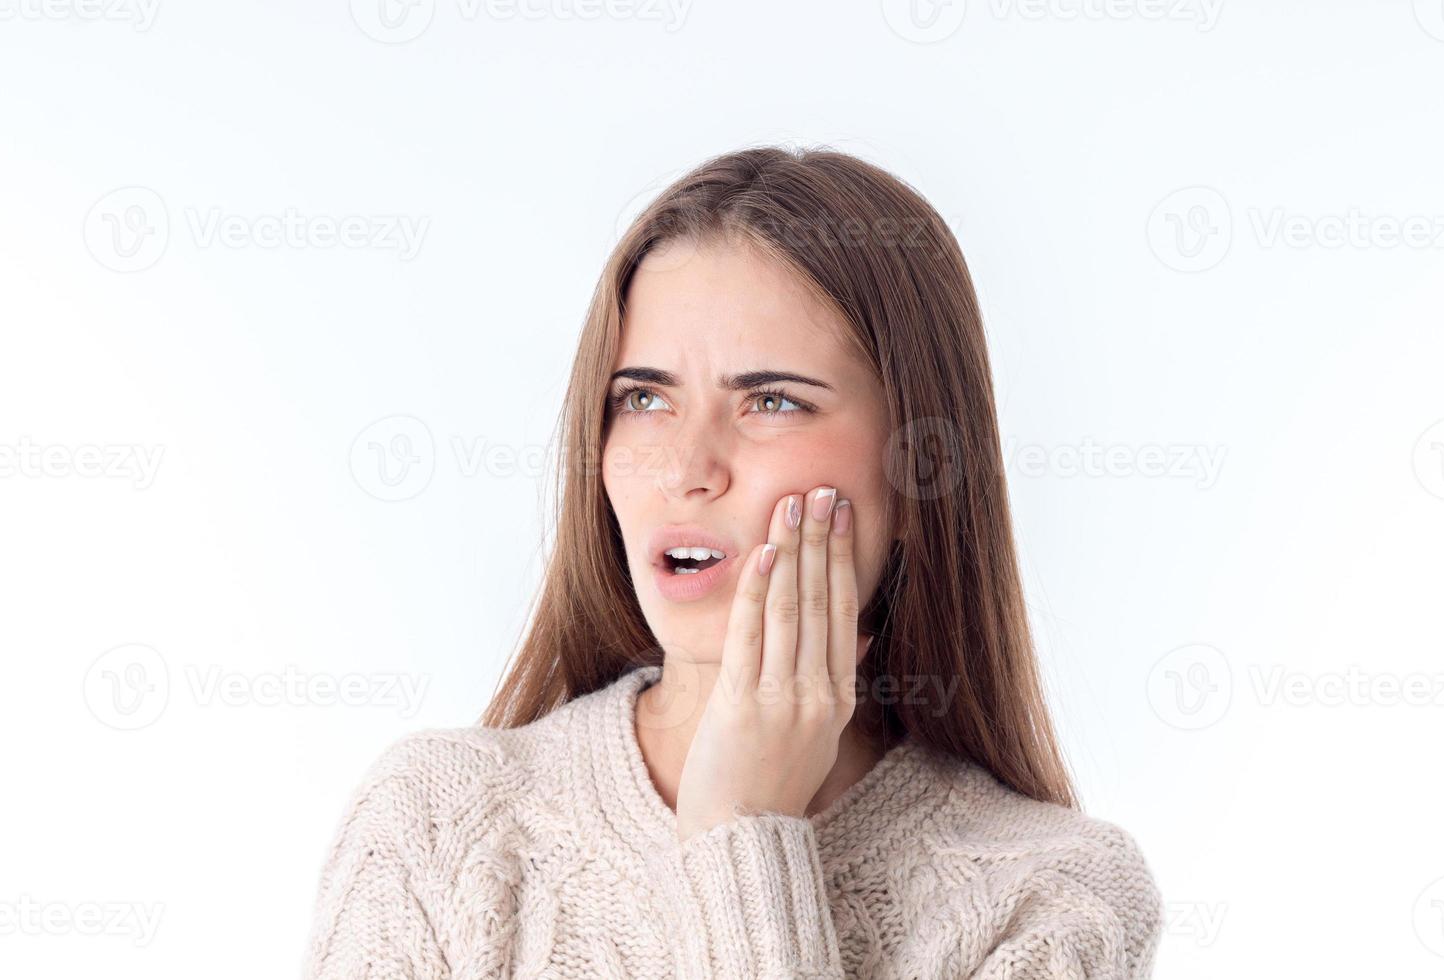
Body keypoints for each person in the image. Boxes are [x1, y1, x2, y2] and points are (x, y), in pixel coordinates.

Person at [303, 145, 1162, 979]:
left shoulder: (1056, 899)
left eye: (771, 401)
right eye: (645, 398)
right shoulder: (434, 821)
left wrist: (743, 829)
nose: (686, 469)